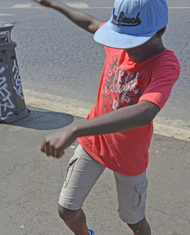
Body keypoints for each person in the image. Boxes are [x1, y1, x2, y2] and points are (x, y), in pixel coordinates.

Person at [34, 0, 180, 234]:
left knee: (134, 220)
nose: (126, 47)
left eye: (133, 42)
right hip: (94, 142)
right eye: (120, 38)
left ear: (160, 31)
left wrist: (75, 129)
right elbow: (90, 22)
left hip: (128, 155)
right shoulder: (119, 43)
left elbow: (146, 111)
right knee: (66, 210)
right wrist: (54, 4)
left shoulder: (165, 64)